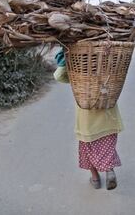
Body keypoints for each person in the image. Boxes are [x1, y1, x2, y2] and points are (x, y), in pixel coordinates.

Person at [53, 48, 124, 190]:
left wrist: (67, 62)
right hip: (108, 114)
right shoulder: (111, 60)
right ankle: (109, 170)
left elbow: (59, 75)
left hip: (87, 119)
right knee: (107, 146)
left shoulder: (78, 65)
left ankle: (95, 179)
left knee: (87, 148)